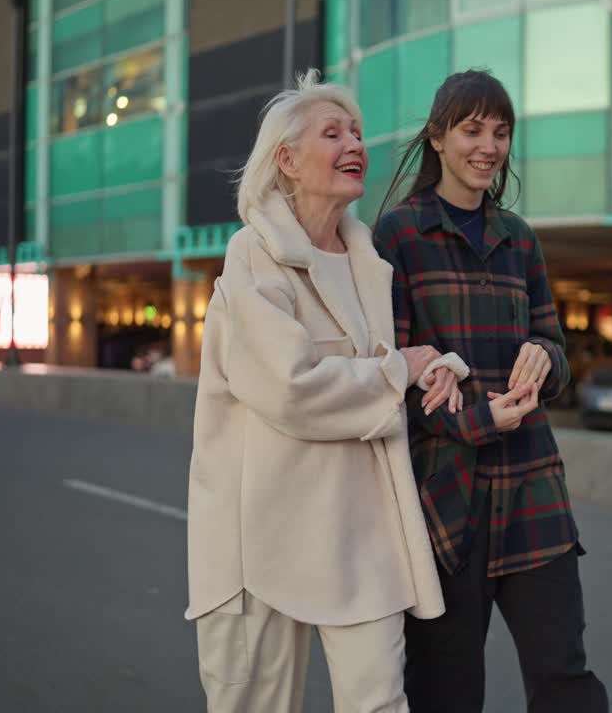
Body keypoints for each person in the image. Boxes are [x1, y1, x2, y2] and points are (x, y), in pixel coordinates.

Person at [185, 70, 470, 713]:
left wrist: (428, 368)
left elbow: (387, 368)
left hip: (361, 527)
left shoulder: (369, 264)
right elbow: (290, 389)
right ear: (287, 160)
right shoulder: (252, 255)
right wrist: (398, 372)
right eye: (333, 133)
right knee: (254, 704)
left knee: (380, 702)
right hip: (258, 529)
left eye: (358, 134)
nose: (355, 145)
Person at [372, 70, 609, 713]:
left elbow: (554, 350)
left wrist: (544, 358)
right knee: (446, 689)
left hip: (534, 489)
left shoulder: (518, 237)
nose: (489, 147)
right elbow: (391, 377)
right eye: (472, 130)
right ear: (437, 137)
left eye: (500, 133)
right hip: (446, 500)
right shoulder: (398, 237)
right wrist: (479, 421)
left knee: (565, 679)